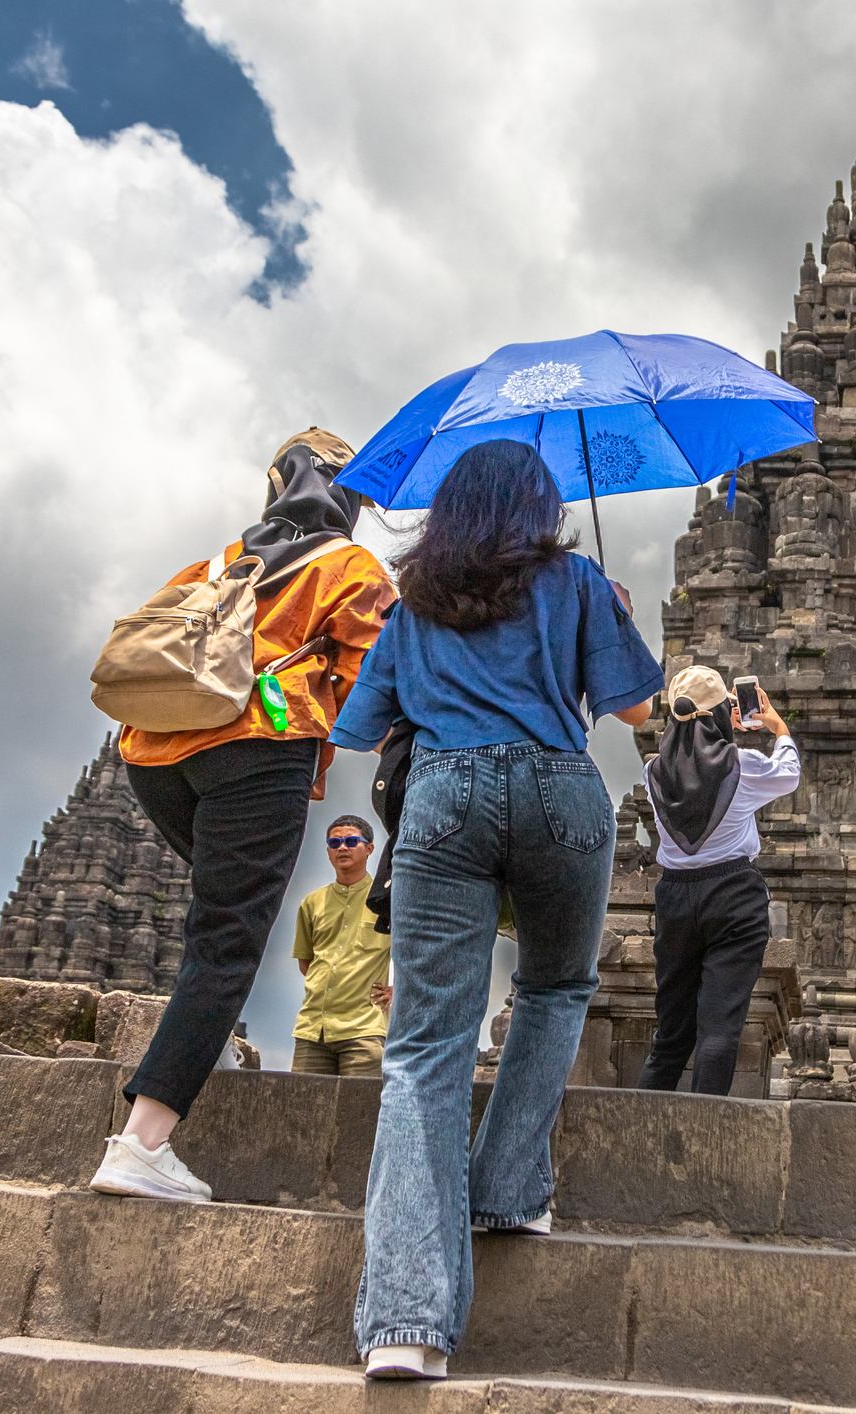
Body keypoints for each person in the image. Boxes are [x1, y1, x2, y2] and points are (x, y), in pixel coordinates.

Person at [327, 438, 661, 1381]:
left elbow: (360, 728)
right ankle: (506, 1190)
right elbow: (637, 709)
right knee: (556, 989)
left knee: (427, 1048)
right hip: (562, 791)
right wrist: (610, 615)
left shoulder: (414, 600)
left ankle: (404, 1323)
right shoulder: (579, 581)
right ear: (539, 505)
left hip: (443, 797)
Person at [89, 428, 394, 1203]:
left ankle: (200, 1051)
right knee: (227, 939)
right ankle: (142, 1142)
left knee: (215, 916)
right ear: (347, 495)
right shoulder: (348, 565)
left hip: (152, 754)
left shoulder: (226, 559)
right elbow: (374, 684)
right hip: (258, 747)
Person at [638, 667, 800, 1096]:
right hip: (732, 893)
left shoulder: (653, 772)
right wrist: (776, 727)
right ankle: (705, 1134)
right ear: (722, 715)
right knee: (719, 1027)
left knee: (671, 1035)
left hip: (674, 897)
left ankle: (635, 1129)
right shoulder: (741, 766)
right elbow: (789, 772)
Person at [290, 815, 391, 1077]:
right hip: (313, 1029)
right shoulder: (312, 903)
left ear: (369, 848)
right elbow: (307, 962)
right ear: (328, 851)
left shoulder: (386, 902)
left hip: (364, 1030)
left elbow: (418, 953)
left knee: (358, 1115)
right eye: (335, 843)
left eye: (351, 841)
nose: (342, 848)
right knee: (302, 1110)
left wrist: (398, 990)